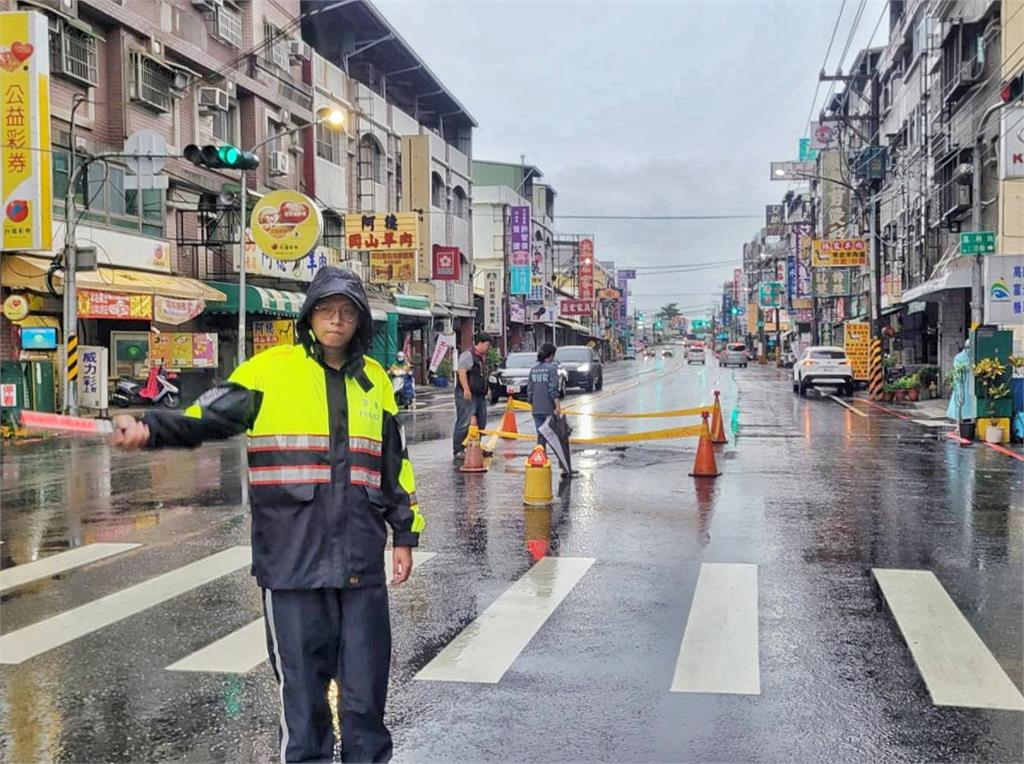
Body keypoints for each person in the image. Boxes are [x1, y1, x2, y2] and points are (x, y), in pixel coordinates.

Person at [108, 267, 423, 763]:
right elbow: (205, 418)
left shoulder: (375, 380)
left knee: (365, 701)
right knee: (303, 704)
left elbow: (393, 465)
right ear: (309, 316)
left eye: (346, 312)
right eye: (326, 310)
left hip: (361, 563)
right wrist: (151, 428)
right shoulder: (269, 370)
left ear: (360, 322)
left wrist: (405, 534)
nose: (336, 321)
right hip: (292, 562)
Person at [452, 332, 492, 460]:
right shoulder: (468, 355)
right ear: (479, 343)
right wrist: (466, 389)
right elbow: (461, 372)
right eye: (487, 345)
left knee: (481, 422)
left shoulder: (482, 357)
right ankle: (458, 449)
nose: (488, 348)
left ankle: (475, 447)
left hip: (480, 396)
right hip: (468, 394)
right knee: (464, 422)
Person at [527, 343, 562, 448]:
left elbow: (530, 390)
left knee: (541, 435)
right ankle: (559, 461)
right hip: (548, 408)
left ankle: (540, 458)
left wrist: (532, 404)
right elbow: (553, 389)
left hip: (536, 409)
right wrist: (557, 406)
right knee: (553, 437)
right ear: (551, 355)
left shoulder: (533, 369)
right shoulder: (552, 369)